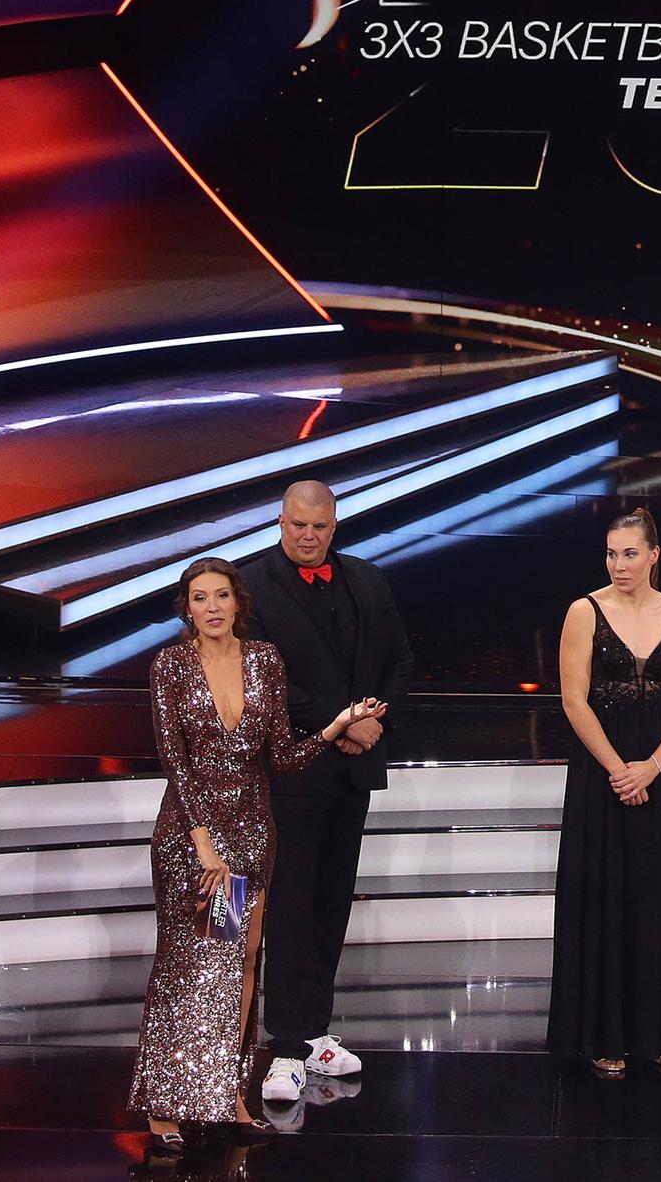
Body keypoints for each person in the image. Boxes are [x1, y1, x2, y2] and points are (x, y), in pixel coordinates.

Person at [127, 557, 381, 1153]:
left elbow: (283, 756)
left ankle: (227, 1095)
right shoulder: (171, 666)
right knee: (189, 965)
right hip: (193, 840)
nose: (212, 607)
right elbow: (178, 765)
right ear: (186, 608)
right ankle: (165, 1100)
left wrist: (336, 726)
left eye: (221, 595)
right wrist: (205, 847)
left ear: (238, 602)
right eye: (199, 598)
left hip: (250, 839)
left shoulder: (265, 661)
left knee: (238, 965)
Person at [238, 481, 415, 1104]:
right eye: (295, 525)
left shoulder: (367, 581)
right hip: (289, 774)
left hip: (352, 772)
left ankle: (313, 1032)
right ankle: (283, 1046)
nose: (306, 536)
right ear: (280, 522)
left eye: (318, 526)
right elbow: (263, 681)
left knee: (331, 900)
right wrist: (340, 723)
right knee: (288, 903)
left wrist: (375, 722)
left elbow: (398, 662)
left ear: (334, 525)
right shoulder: (251, 587)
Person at [547, 507, 661, 1075]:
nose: (619, 564)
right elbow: (573, 700)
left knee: (660, 896)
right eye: (612, 553)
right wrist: (621, 769)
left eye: (630, 553)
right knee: (606, 896)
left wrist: (652, 767)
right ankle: (605, 1035)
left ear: (654, 555)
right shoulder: (583, 611)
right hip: (602, 772)